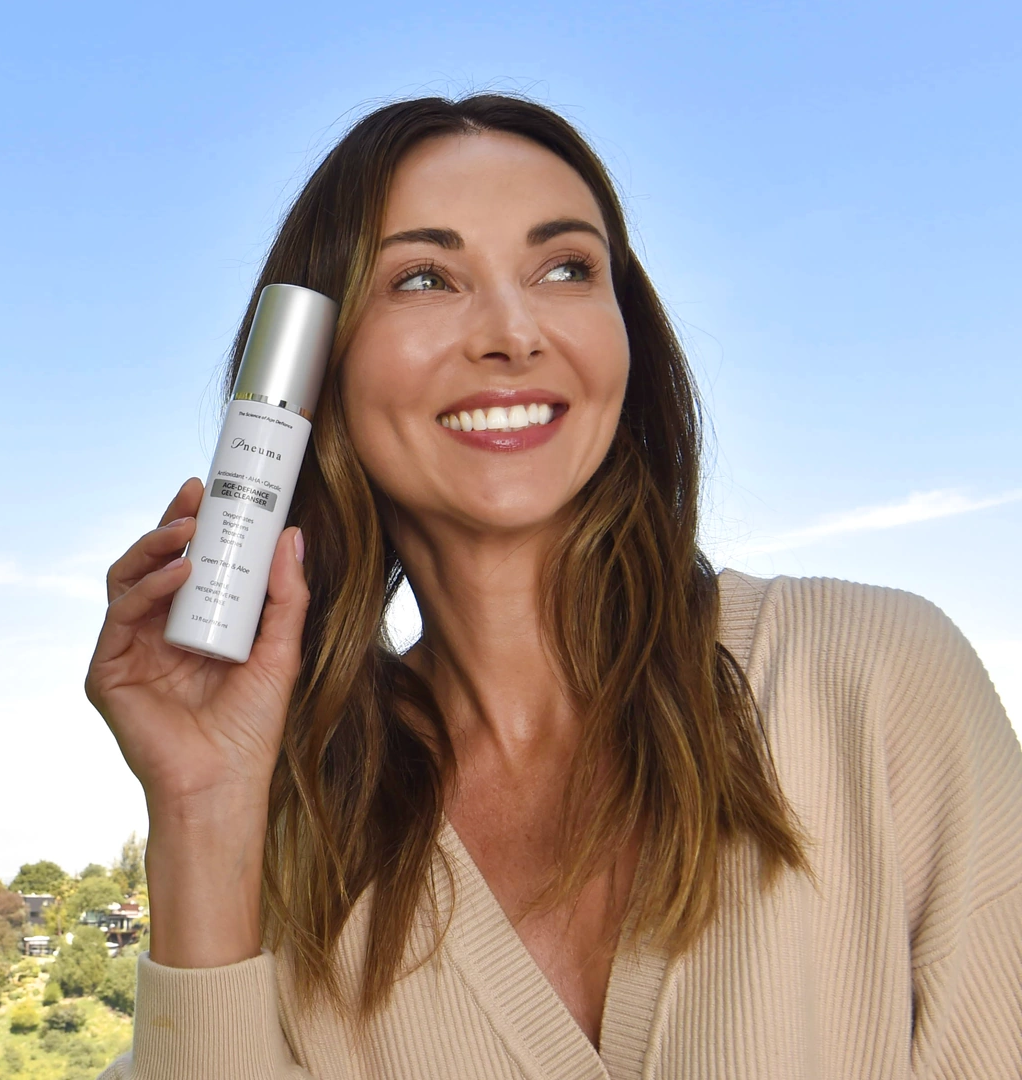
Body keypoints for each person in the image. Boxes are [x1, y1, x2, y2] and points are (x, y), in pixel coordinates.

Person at [87, 94, 1022, 1079]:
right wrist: (201, 813)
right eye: (424, 278)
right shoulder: (287, 836)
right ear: (318, 367)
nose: (514, 332)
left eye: (566, 268)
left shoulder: (871, 680)